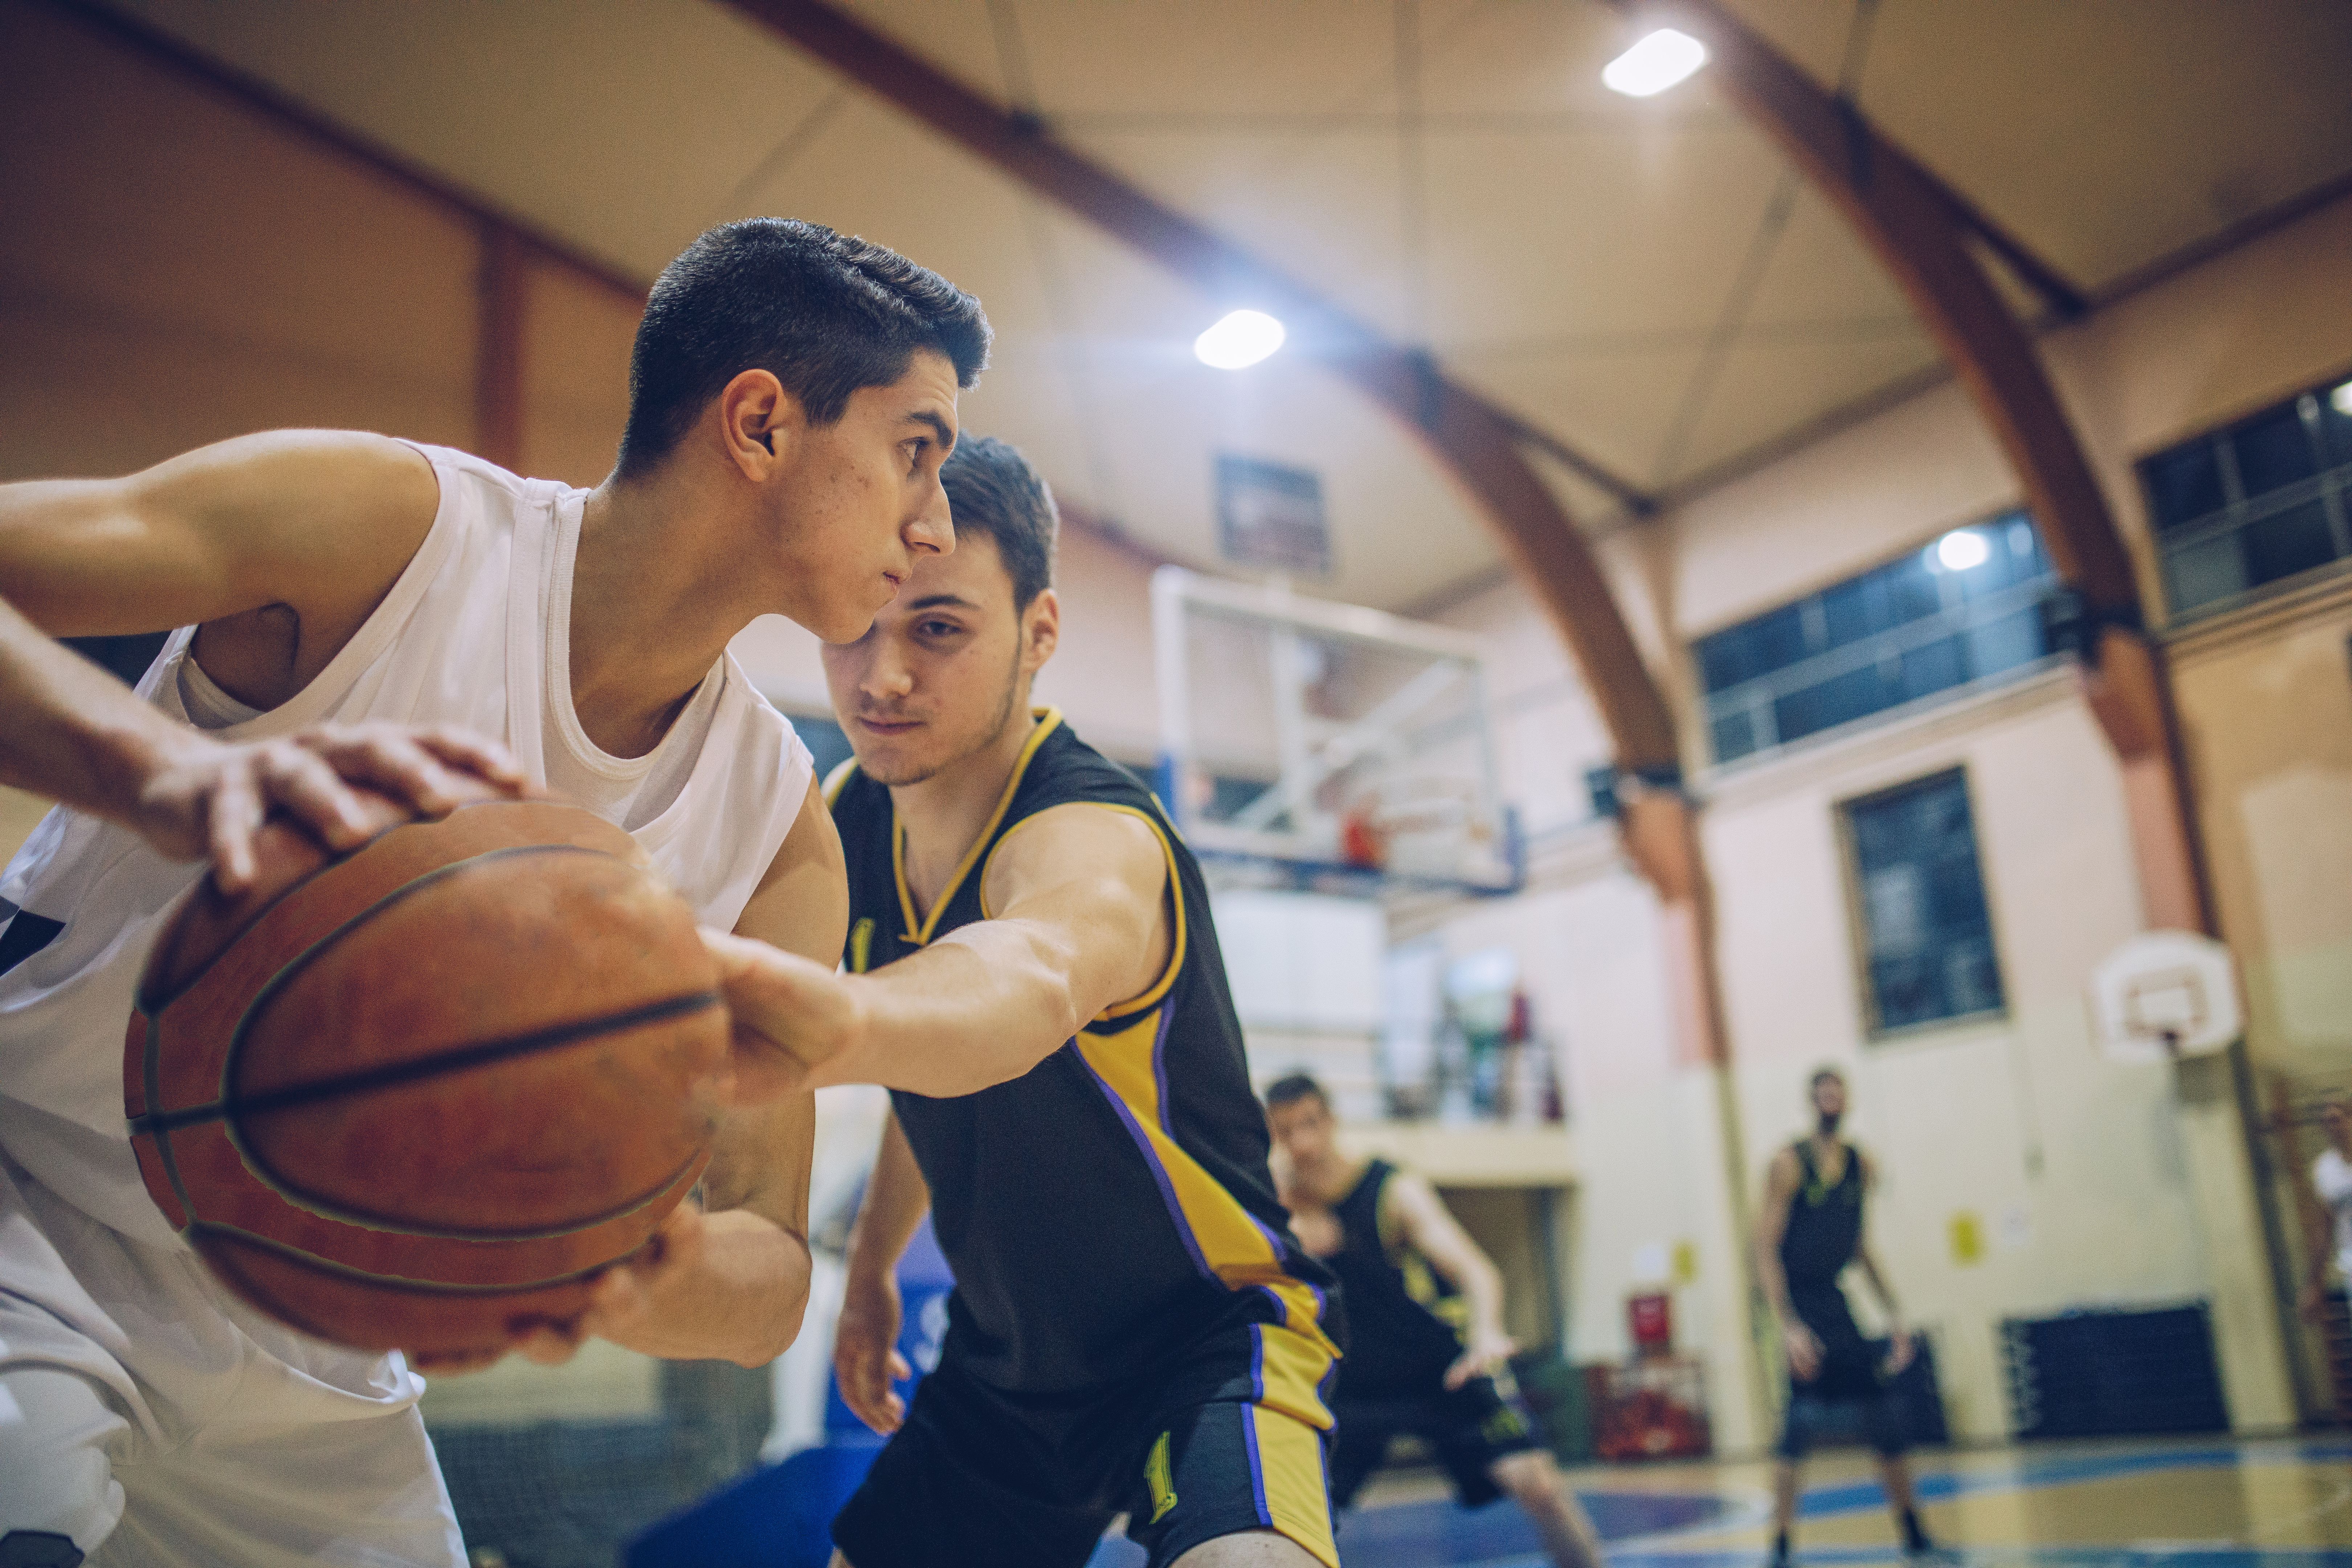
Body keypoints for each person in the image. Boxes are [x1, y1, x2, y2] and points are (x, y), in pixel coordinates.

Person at [0, 217, 989, 1567]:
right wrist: (168, 774)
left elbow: (763, 1267)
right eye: (916, 454)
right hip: (33, 1213)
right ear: (760, 422)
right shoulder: (385, 534)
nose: (933, 525)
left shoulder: (777, 831)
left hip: (320, 1335)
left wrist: (621, 1258)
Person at [708, 437, 1344, 1568]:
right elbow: (941, 1068)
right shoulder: (844, 816)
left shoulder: (1099, 835)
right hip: (1004, 1367)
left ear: (1039, 632)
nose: (882, 674)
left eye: (939, 628)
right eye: (859, 622)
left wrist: (820, 1026)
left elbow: (1025, 983)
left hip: (1203, 1338)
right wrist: (867, 1283)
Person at [1262, 1073, 1601, 1568]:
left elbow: (1476, 1271)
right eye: (1286, 1130)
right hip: (1348, 1384)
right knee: (1288, 1522)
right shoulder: (1276, 1206)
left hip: (1437, 1370)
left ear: (1332, 1122)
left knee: (1542, 1488)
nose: (1302, 1142)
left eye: (1310, 1124)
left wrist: (1486, 1331)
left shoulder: (1390, 1190)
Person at [1753, 1066, 1936, 1564]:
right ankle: (1781, 1542)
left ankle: (1914, 1530)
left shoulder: (1862, 1166)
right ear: (1812, 1101)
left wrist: (1895, 1316)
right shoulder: (1789, 1164)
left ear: (1846, 1100)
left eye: (1838, 1092)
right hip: (1802, 1307)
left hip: (1838, 1305)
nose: (1831, 1100)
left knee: (1885, 1420)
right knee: (1798, 1429)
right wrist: (1787, 1326)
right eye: (1822, 1092)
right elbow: (1764, 1248)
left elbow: (1860, 1247)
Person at [2298, 1099, 2352, 1324]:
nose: (2332, 1128)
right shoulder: (2324, 1169)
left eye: (2336, 1120)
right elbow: (2324, 1228)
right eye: (2326, 1123)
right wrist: (2315, 1284)